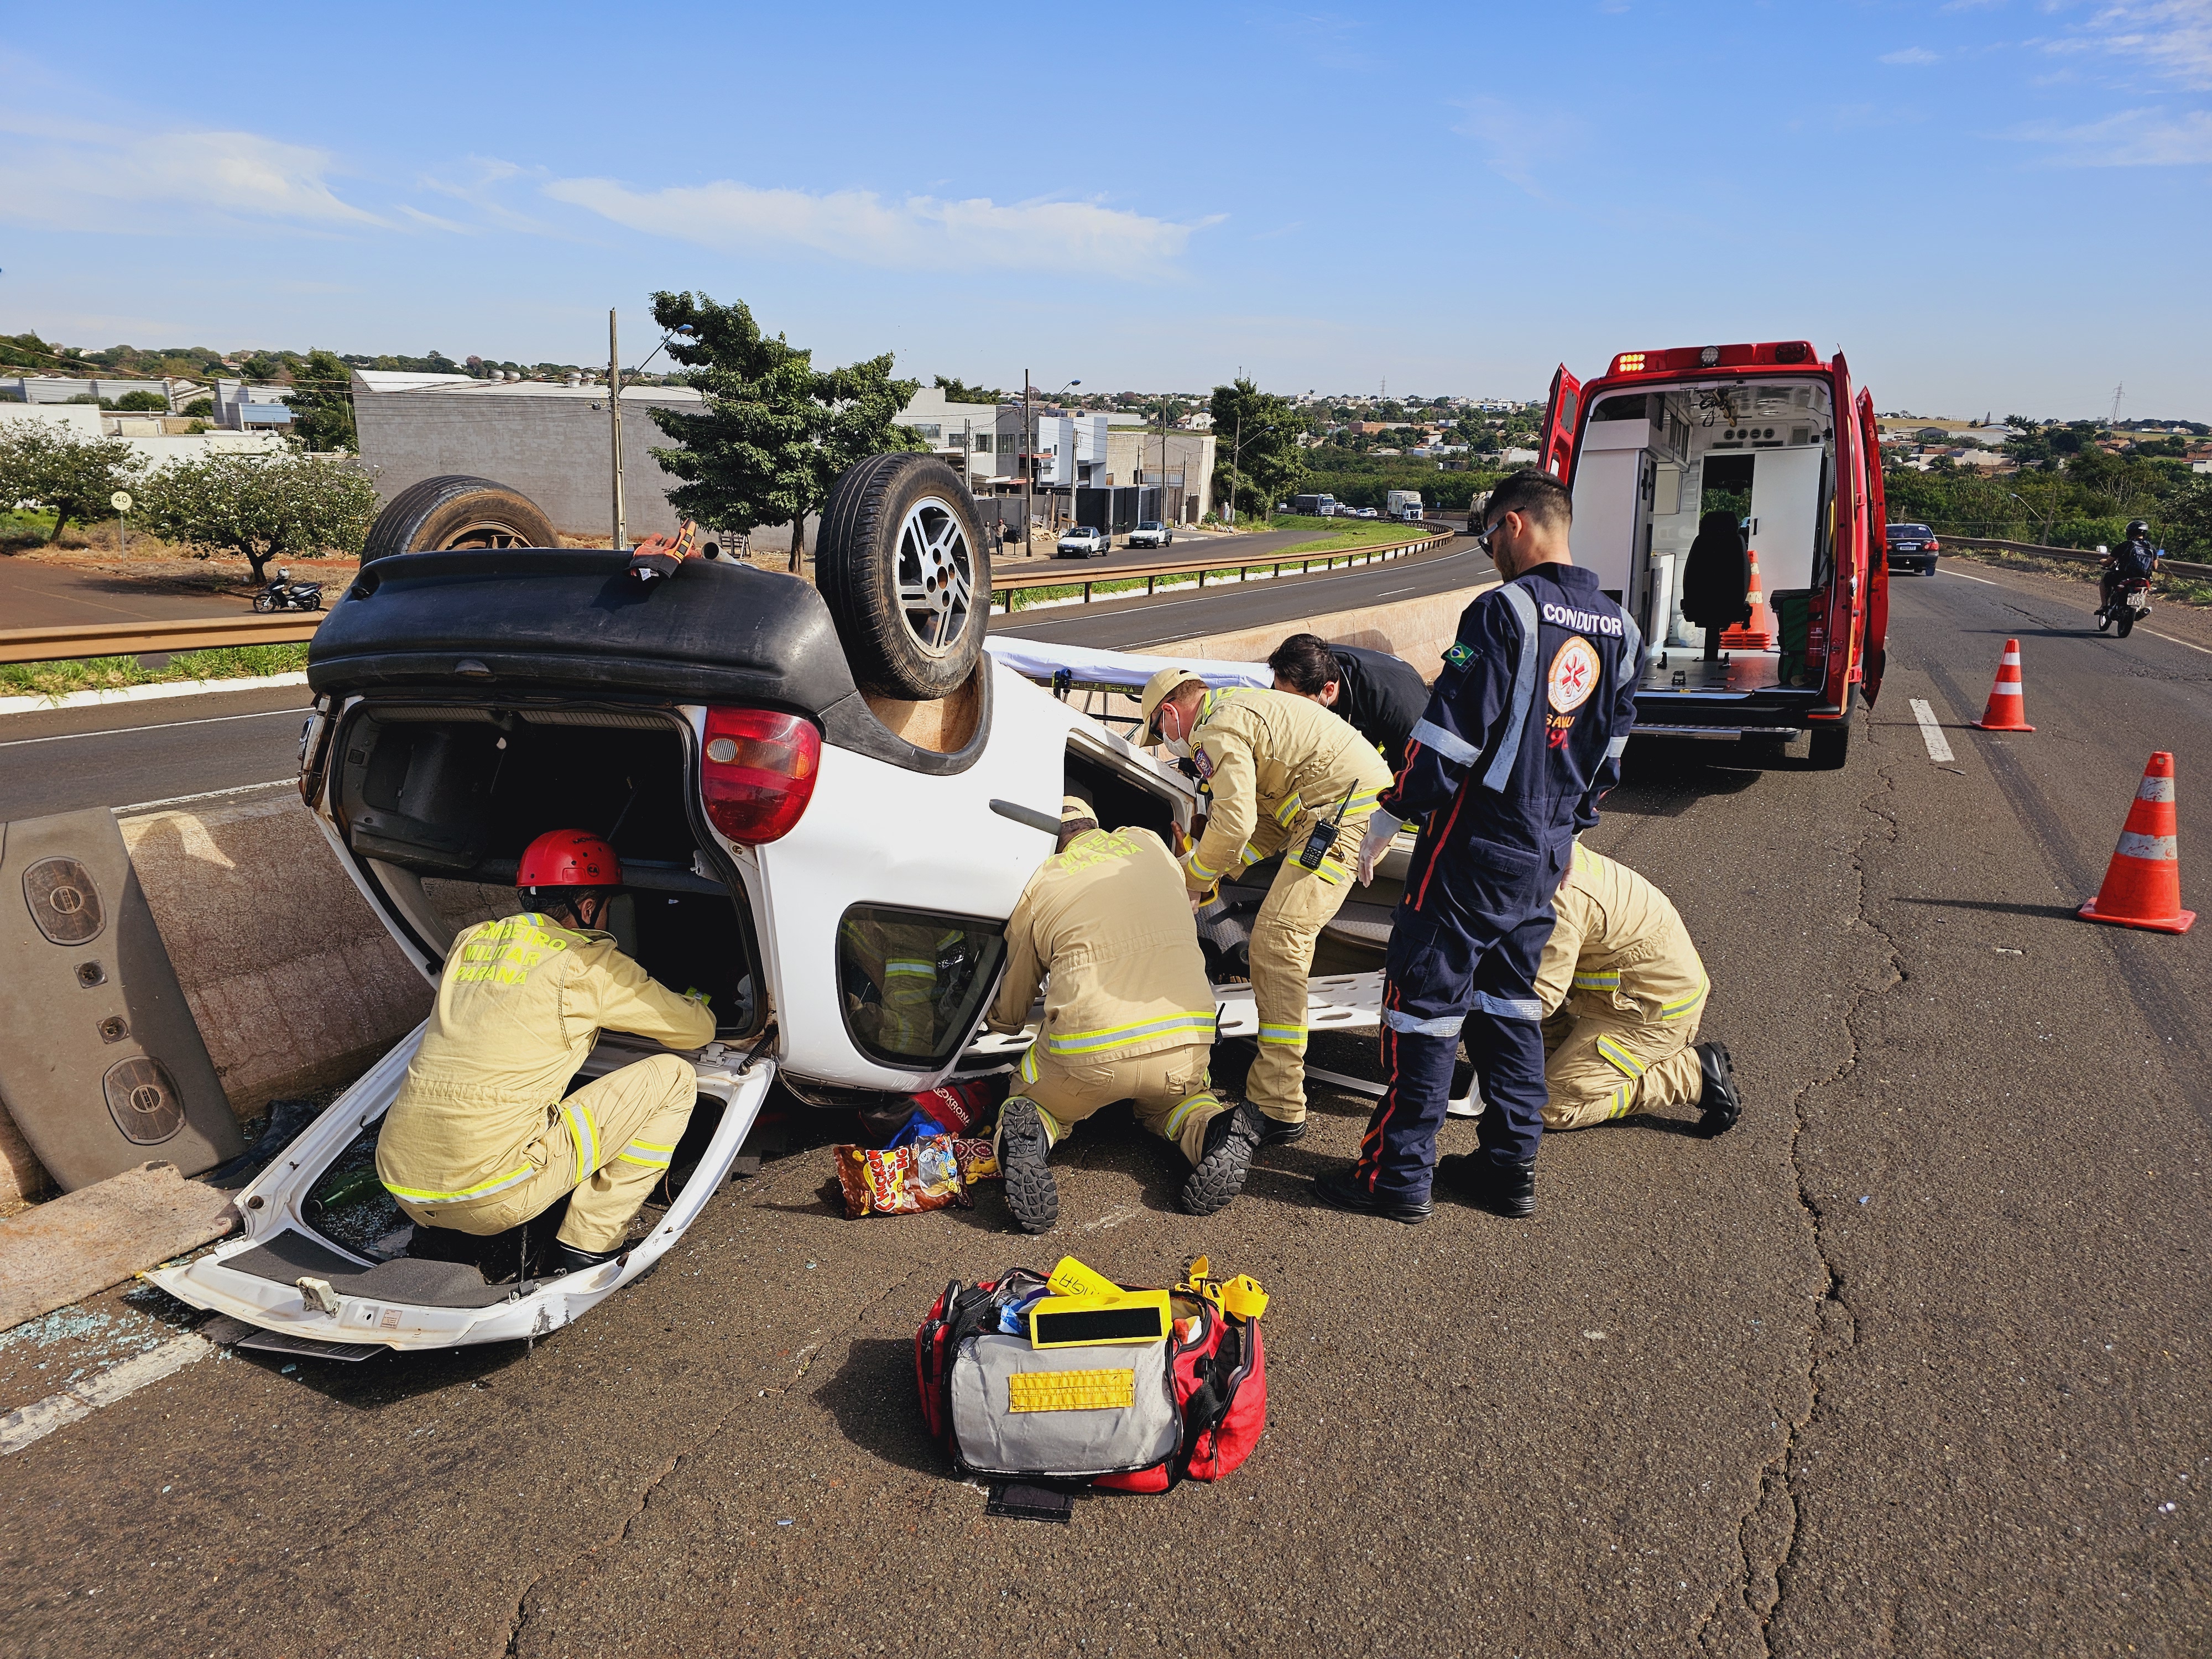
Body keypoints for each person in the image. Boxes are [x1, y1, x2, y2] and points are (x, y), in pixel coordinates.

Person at [1312, 468, 1646, 1224]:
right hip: (1545, 855)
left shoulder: (1503, 614)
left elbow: (1446, 739)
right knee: (1508, 1010)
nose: (1488, 550)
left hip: (1471, 849)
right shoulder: (1621, 632)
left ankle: (1396, 1179)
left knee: (1423, 1010)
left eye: (1489, 534)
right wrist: (1559, 832)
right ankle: (1508, 1171)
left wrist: (1392, 812)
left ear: (1518, 524)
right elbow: (1611, 761)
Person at [375, 830, 716, 1275]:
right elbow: (695, 1031)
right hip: (494, 1193)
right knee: (673, 1078)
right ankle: (589, 1246)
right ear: (589, 907)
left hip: (402, 1181)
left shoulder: (471, 942)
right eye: (608, 906)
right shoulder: (586, 963)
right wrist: (699, 1001)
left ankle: (440, 1231)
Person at [1139, 667, 1392, 1145]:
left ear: (1170, 713)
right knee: (1279, 944)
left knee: (1278, 944)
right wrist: (1213, 876)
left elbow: (1234, 825)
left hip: (1341, 813)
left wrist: (1191, 876)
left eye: (1159, 730)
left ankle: (1278, 1105)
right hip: (1341, 806)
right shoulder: (1236, 708)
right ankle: (1280, 1096)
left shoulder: (1212, 731)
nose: (1165, 741)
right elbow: (1269, 824)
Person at [987, 796, 1260, 1231]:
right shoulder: (1149, 845)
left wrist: (1001, 1023)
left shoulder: (1043, 882)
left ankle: (1031, 1134)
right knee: (1183, 1104)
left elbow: (1017, 988)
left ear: (1051, 844)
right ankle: (1214, 1132)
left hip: (1088, 1057)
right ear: (1096, 826)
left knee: (1032, 1101)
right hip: (1184, 1041)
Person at [1525, 843, 1740, 1134]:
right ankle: (1563, 1057)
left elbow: (1539, 1000)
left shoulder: (1557, 901)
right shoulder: (1553, 847)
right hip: (1628, 995)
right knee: (1531, 1063)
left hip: (1647, 1017)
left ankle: (1687, 1075)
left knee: (1549, 1108)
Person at [1267, 633, 1432, 773]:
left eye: (1297, 703)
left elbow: (1414, 773)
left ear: (1329, 690)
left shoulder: (1395, 702)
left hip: (1406, 742)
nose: (1288, 708)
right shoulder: (1300, 672)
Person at [1681, 509, 1751, 662]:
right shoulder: (1737, 544)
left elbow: (1689, 577)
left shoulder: (1700, 544)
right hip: (1731, 604)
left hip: (1698, 604)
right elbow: (1744, 577)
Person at [2100, 518, 2162, 614]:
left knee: (2105, 578)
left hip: (2124, 576)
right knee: (2146, 586)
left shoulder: (2125, 545)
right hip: (2144, 578)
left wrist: (2102, 562)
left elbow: (2108, 563)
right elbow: (2155, 567)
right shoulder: (2151, 547)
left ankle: (2104, 606)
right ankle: (2140, 607)